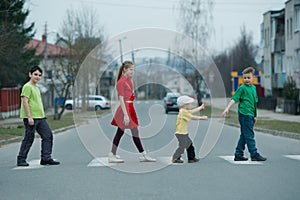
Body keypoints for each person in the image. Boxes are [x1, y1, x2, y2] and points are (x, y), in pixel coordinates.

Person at [109, 61, 156, 163]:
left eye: (133, 70)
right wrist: (125, 115)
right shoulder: (121, 82)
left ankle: (141, 154)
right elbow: (121, 99)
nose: (132, 72)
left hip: (130, 107)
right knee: (122, 132)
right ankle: (113, 154)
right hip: (124, 109)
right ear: (125, 69)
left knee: (130, 132)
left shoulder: (129, 80)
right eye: (131, 69)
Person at [17, 66, 60, 166]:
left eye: (39, 75)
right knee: (29, 138)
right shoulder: (27, 86)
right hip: (31, 118)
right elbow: (25, 102)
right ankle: (21, 159)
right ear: (30, 74)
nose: (37, 77)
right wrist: (29, 117)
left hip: (40, 117)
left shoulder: (36, 87)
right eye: (35, 74)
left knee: (48, 135)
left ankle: (46, 158)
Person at [222, 67, 267, 162]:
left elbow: (254, 103)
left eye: (248, 77)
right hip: (244, 114)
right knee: (249, 134)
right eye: (245, 78)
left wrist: (255, 116)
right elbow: (234, 99)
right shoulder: (242, 88)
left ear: (253, 77)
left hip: (250, 115)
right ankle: (254, 154)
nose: (246, 79)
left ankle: (238, 154)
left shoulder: (253, 88)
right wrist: (227, 108)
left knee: (244, 135)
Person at [172, 95, 208, 163]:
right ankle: (176, 158)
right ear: (185, 105)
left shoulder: (184, 111)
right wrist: (202, 118)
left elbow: (192, 111)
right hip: (181, 133)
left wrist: (200, 107)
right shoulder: (183, 112)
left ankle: (191, 158)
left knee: (189, 145)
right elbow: (192, 117)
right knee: (182, 147)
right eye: (189, 104)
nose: (190, 105)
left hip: (183, 133)